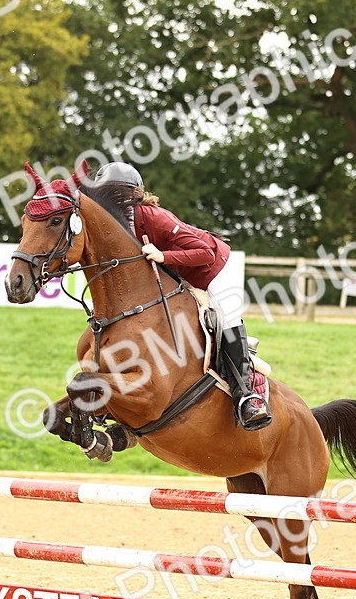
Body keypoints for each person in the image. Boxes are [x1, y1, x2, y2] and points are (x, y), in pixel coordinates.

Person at [93, 162, 271, 431]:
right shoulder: (116, 227)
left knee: (226, 319)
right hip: (181, 274)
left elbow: (205, 253)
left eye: (114, 196)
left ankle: (246, 396)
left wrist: (163, 255)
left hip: (215, 268)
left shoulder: (154, 216)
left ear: (132, 195)